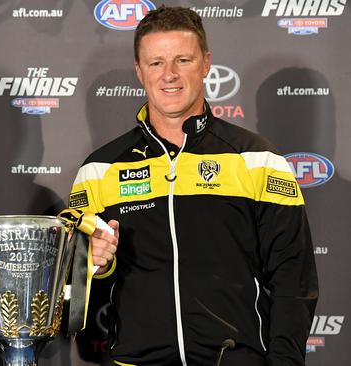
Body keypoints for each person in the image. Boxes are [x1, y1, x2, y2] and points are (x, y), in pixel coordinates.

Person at [69, 6, 318, 366]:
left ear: (206, 64)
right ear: (139, 72)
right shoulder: (100, 168)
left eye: (182, 60)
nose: (169, 75)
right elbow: (74, 300)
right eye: (155, 63)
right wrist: (93, 265)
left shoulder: (259, 159)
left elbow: (293, 278)